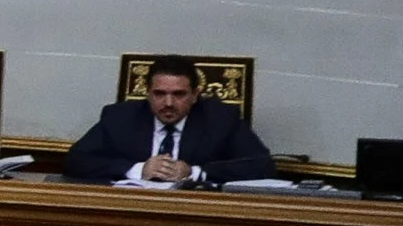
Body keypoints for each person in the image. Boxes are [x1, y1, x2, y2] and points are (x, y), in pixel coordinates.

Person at [68, 58, 275, 188]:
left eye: (178, 95)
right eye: (159, 94)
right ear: (148, 94)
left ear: (195, 95)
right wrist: (138, 170)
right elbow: (76, 160)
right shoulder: (120, 117)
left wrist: (194, 173)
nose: (168, 103)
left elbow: (262, 166)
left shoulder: (221, 118)